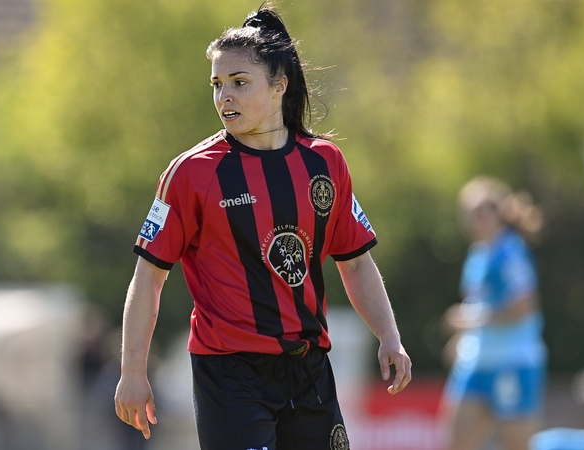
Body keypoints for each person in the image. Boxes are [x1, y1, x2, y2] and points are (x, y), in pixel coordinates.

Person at [113, 5, 411, 449]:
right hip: (231, 374)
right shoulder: (192, 173)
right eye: (217, 85)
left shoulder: (324, 163)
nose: (223, 97)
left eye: (238, 82)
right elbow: (148, 280)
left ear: (279, 86)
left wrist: (389, 336)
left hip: (309, 368)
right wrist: (132, 372)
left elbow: (356, 261)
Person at [442, 176, 546, 450]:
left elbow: (524, 306)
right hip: (476, 363)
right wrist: (459, 340)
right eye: (469, 213)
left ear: (498, 213)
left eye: (481, 211)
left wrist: (474, 319)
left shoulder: (510, 251)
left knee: (516, 445)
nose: (475, 218)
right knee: (457, 441)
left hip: (512, 362)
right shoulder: (477, 255)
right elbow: (476, 306)